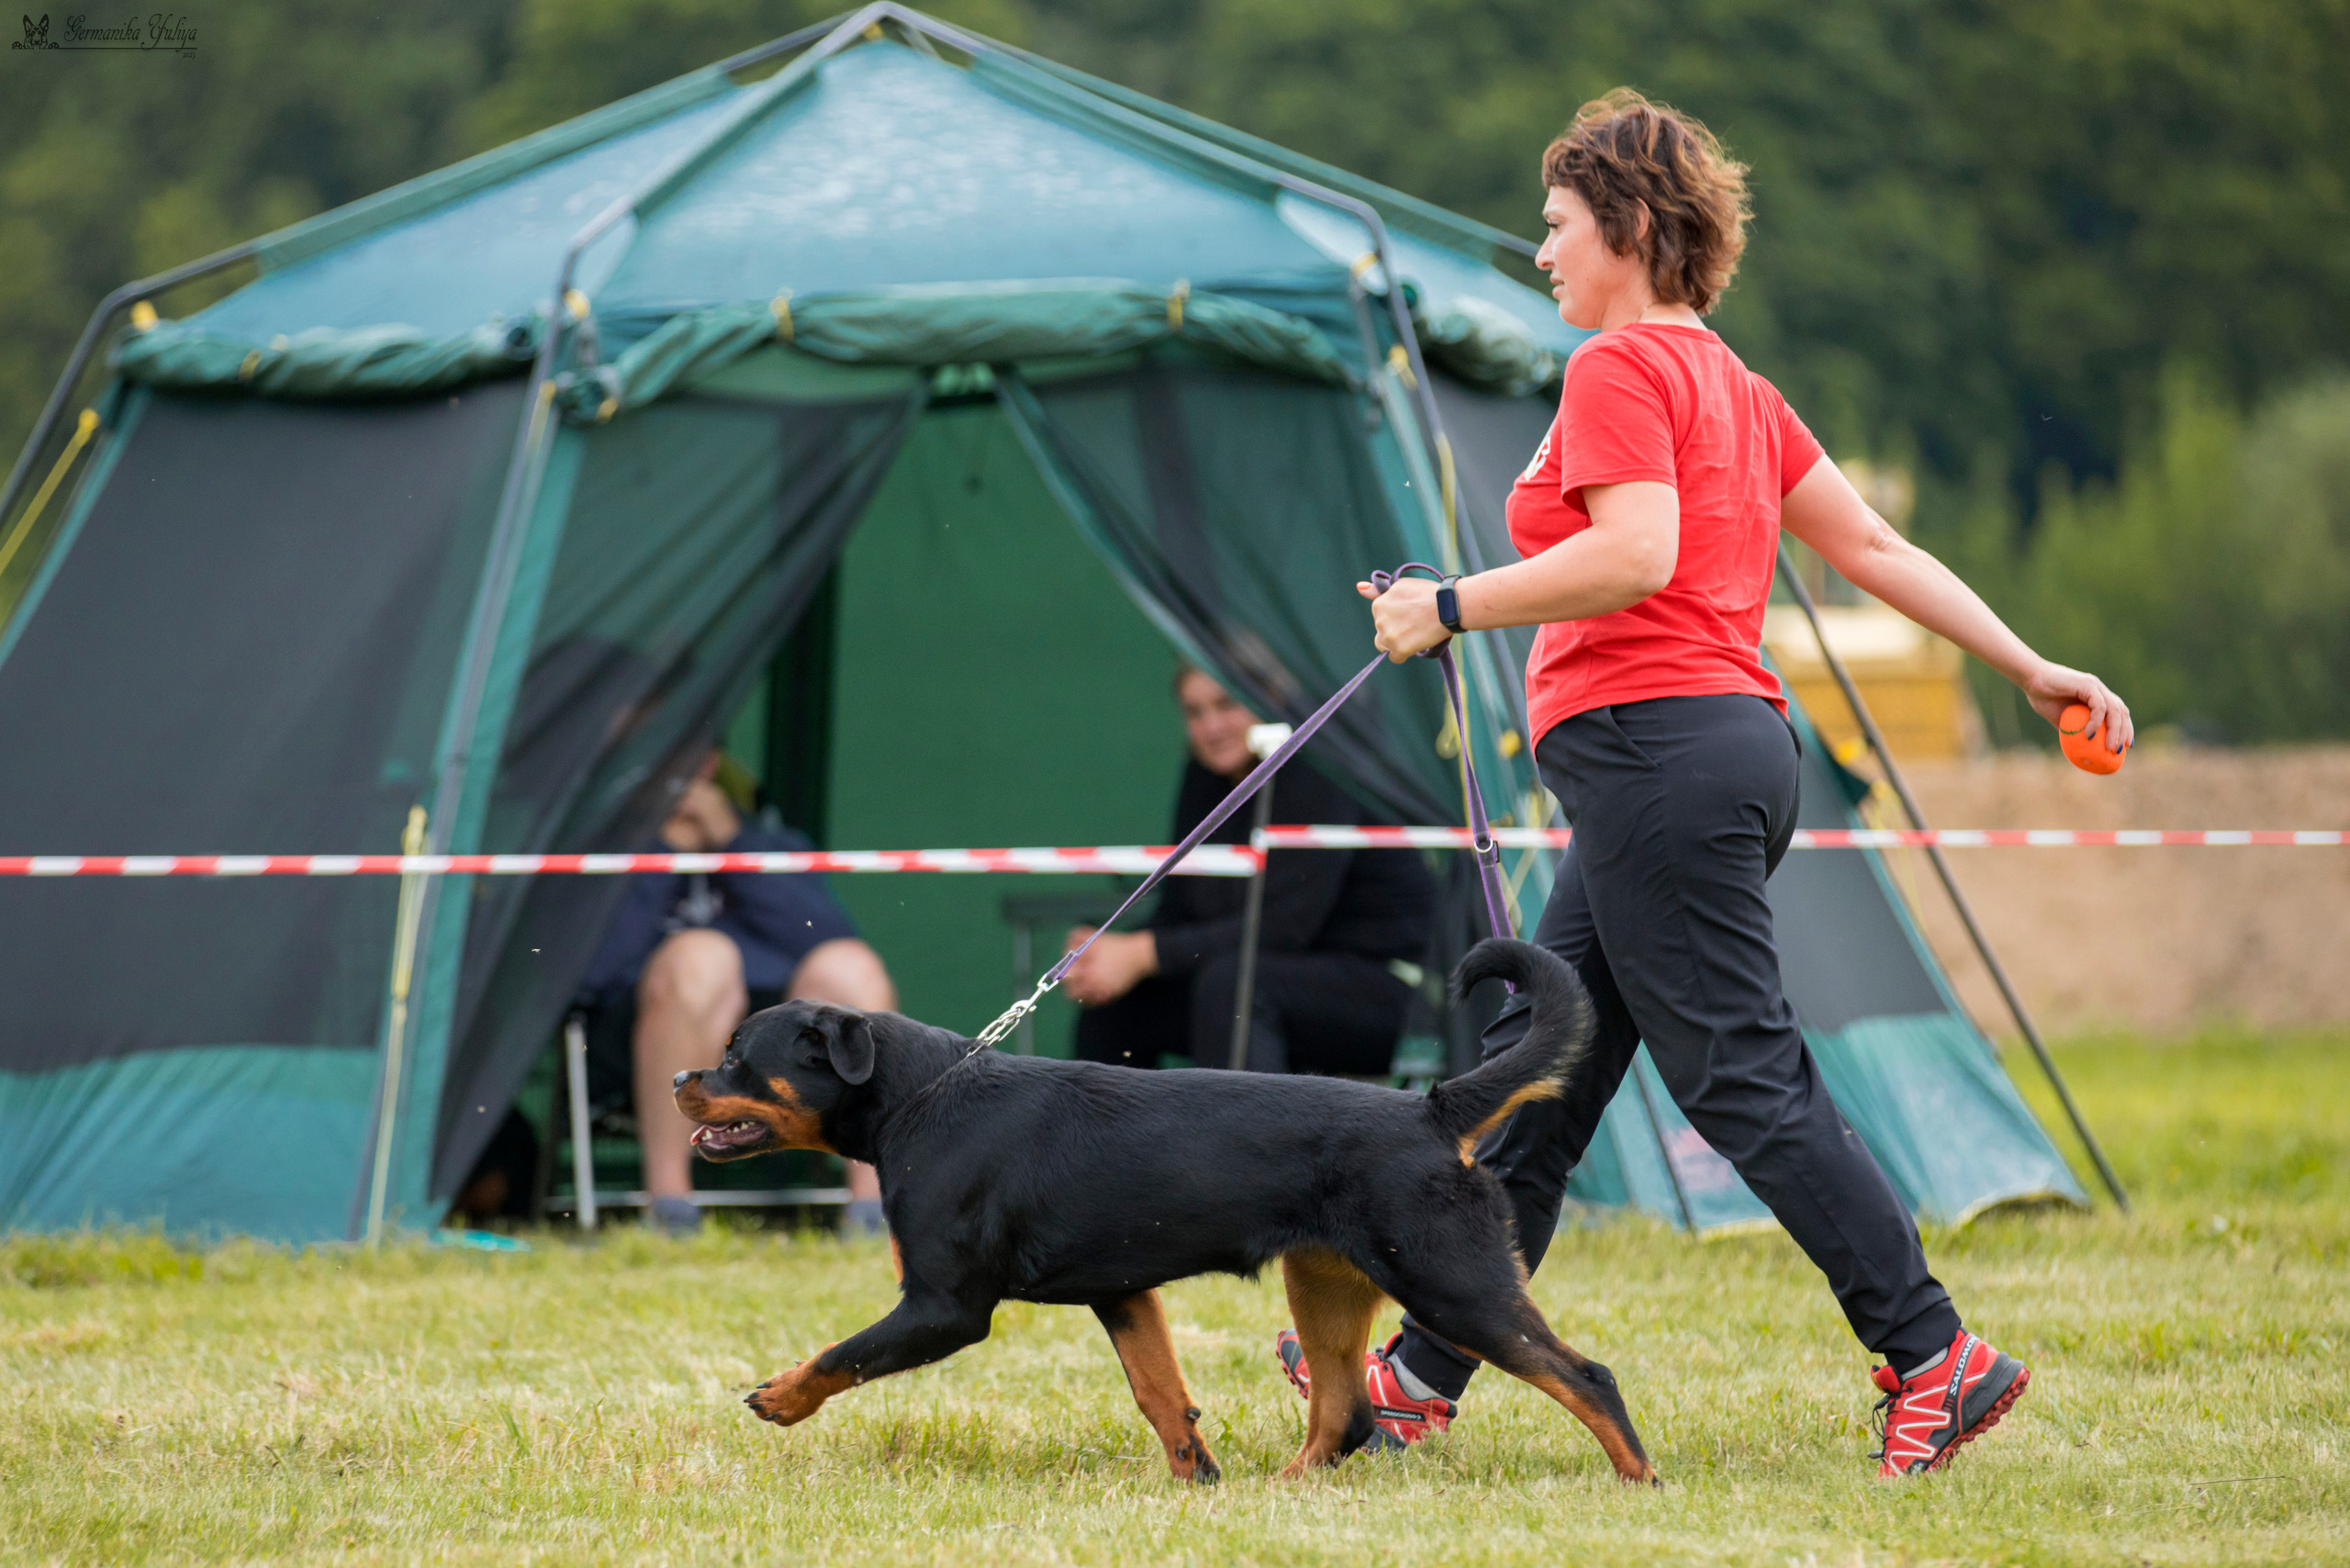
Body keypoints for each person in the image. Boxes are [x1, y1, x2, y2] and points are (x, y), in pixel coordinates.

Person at [1325, 90, 2132, 1478]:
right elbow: (1871, 545)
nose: (1542, 253)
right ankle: (1415, 1375)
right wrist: (2029, 663)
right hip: (1708, 758)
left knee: (1740, 1078)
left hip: (1661, 753)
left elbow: (1635, 554)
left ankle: (1935, 1355)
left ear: (1632, 230)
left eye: (1559, 226)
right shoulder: (1735, 386)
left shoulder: (1622, 372)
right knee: (1545, 1079)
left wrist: (1450, 605)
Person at [576, 750, 896, 1236]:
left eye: (696, 762)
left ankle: (873, 1209)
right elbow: (592, 972)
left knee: (849, 966)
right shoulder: (606, 843)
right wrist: (664, 854)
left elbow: (826, 933)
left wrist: (735, 844)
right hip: (637, 1041)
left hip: (774, 1047)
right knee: (703, 956)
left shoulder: (769, 841)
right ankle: (670, 1207)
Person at [1062, 666, 1436, 1075]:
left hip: (1394, 992)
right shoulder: (1206, 774)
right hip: (1268, 982)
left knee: (1232, 985)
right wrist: (1111, 957)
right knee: (1120, 1001)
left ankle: (1239, 1141)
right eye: (1194, 713)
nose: (1212, 727)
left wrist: (1143, 953)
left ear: (1269, 696)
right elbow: (1180, 906)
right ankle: (1104, 1140)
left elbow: (1287, 924)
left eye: (1226, 704)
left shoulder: (1319, 760)